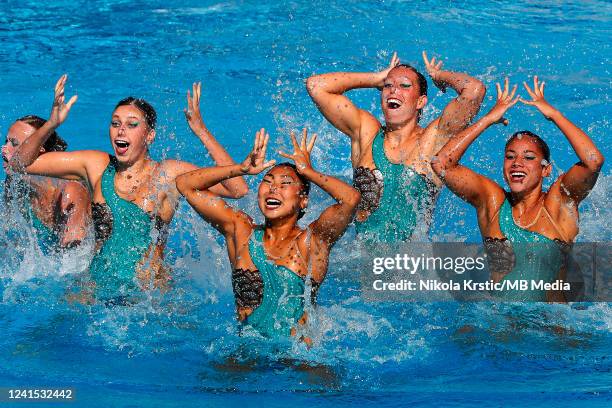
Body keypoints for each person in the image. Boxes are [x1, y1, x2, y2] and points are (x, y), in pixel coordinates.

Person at [9, 75, 248, 302]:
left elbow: (237, 189)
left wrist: (201, 131)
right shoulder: (97, 166)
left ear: (149, 136)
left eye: (132, 125)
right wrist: (51, 124)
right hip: (96, 288)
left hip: (149, 298)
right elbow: (20, 164)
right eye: (115, 124)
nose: (121, 130)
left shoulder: (168, 173)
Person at [176, 128, 360, 339]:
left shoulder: (312, 241)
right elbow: (185, 185)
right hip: (249, 353)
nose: (273, 189)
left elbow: (351, 199)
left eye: (285, 184)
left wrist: (309, 172)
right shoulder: (241, 231)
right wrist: (240, 169)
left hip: (297, 359)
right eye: (268, 181)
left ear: (303, 200)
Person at [432, 77, 604, 301]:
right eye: (510, 157)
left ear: (546, 170)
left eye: (529, 157)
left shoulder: (557, 204)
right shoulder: (493, 203)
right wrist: (488, 119)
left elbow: (593, 161)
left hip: (548, 328)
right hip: (498, 326)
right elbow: (442, 163)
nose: (517, 163)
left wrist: (555, 115)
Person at [306, 51, 485, 242]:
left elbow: (474, 90)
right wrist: (375, 79)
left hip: (408, 264)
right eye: (388, 85)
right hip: (360, 260)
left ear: (420, 101)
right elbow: (316, 86)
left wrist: (438, 76)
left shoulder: (433, 140)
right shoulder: (367, 133)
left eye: (404, 86)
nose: (393, 90)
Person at [2, 115, 90, 251]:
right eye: (6, 141)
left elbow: (75, 257)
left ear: (34, 152)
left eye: (14, 143)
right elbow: (4, 234)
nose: (3, 149)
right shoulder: (15, 185)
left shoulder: (71, 190)